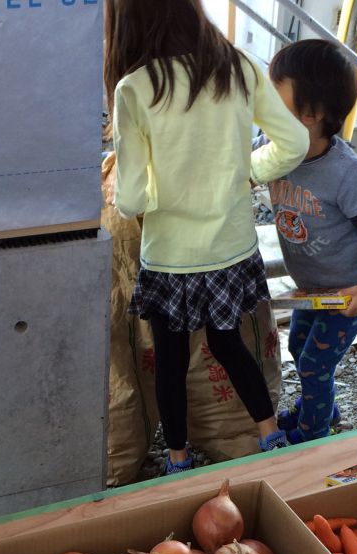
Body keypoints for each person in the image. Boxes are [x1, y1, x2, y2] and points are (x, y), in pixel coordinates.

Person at [106, 0, 309, 474]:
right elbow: (295, 143)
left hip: (170, 257)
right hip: (231, 250)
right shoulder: (239, 66)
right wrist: (249, 171)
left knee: (171, 360)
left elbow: (130, 200)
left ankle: (178, 460)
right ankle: (270, 434)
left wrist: (148, 190)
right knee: (228, 344)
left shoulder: (134, 87)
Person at [263, 39, 357, 445]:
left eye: (274, 104)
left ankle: (313, 433)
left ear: (311, 115)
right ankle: (321, 409)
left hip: (346, 291)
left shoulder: (345, 172)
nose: (264, 113)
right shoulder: (271, 151)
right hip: (310, 287)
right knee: (298, 346)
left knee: (315, 363)